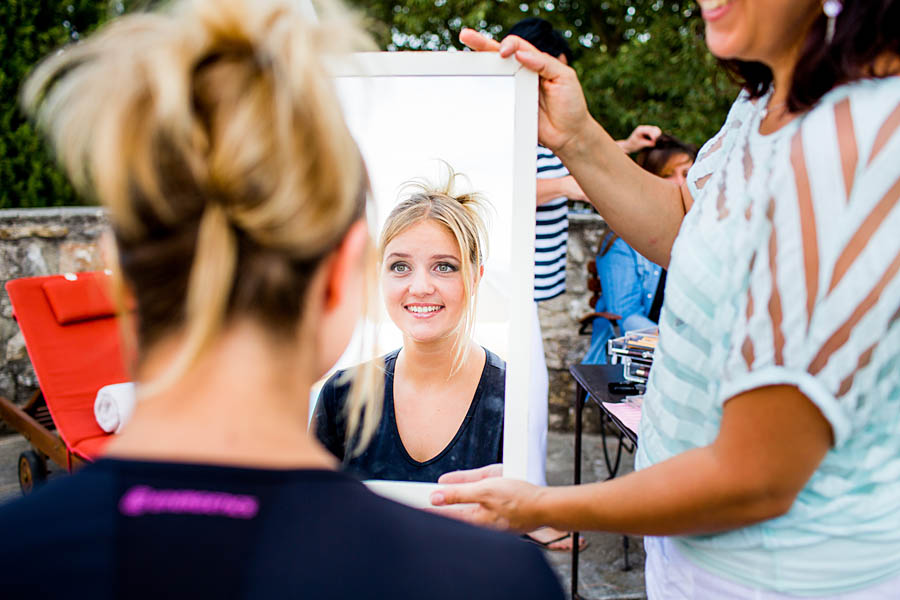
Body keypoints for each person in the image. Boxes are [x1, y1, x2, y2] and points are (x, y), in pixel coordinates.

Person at [0, 1, 567, 598]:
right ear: (342, 275)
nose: (420, 286)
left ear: (122, 274)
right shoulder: (494, 579)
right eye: (400, 264)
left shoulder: (16, 556)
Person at [434, 1, 900, 598]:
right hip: (696, 556)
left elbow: (754, 476)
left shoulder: (852, 142)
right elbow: (689, 227)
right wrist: (574, 134)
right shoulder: (762, 103)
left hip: (780, 576)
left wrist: (540, 505)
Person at [510, 16, 660, 551]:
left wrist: (624, 143)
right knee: (523, 398)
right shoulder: (507, 110)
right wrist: (569, 187)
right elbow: (505, 183)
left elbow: (579, 159)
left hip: (534, 286)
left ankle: (525, 505)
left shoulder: (539, 115)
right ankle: (527, 512)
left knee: (526, 393)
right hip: (511, 287)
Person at [314, 179, 506, 483]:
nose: (420, 288)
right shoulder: (341, 396)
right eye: (400, 266)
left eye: (444, 267)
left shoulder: (513, 399)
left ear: (475, 277)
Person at [582, 134, 697, 364]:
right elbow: (626, 317)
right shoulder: (620, 241)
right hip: (634, 358)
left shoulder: (704, 235)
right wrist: (679, 346)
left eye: (686, 174)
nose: (679, 183)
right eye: (666, 175)